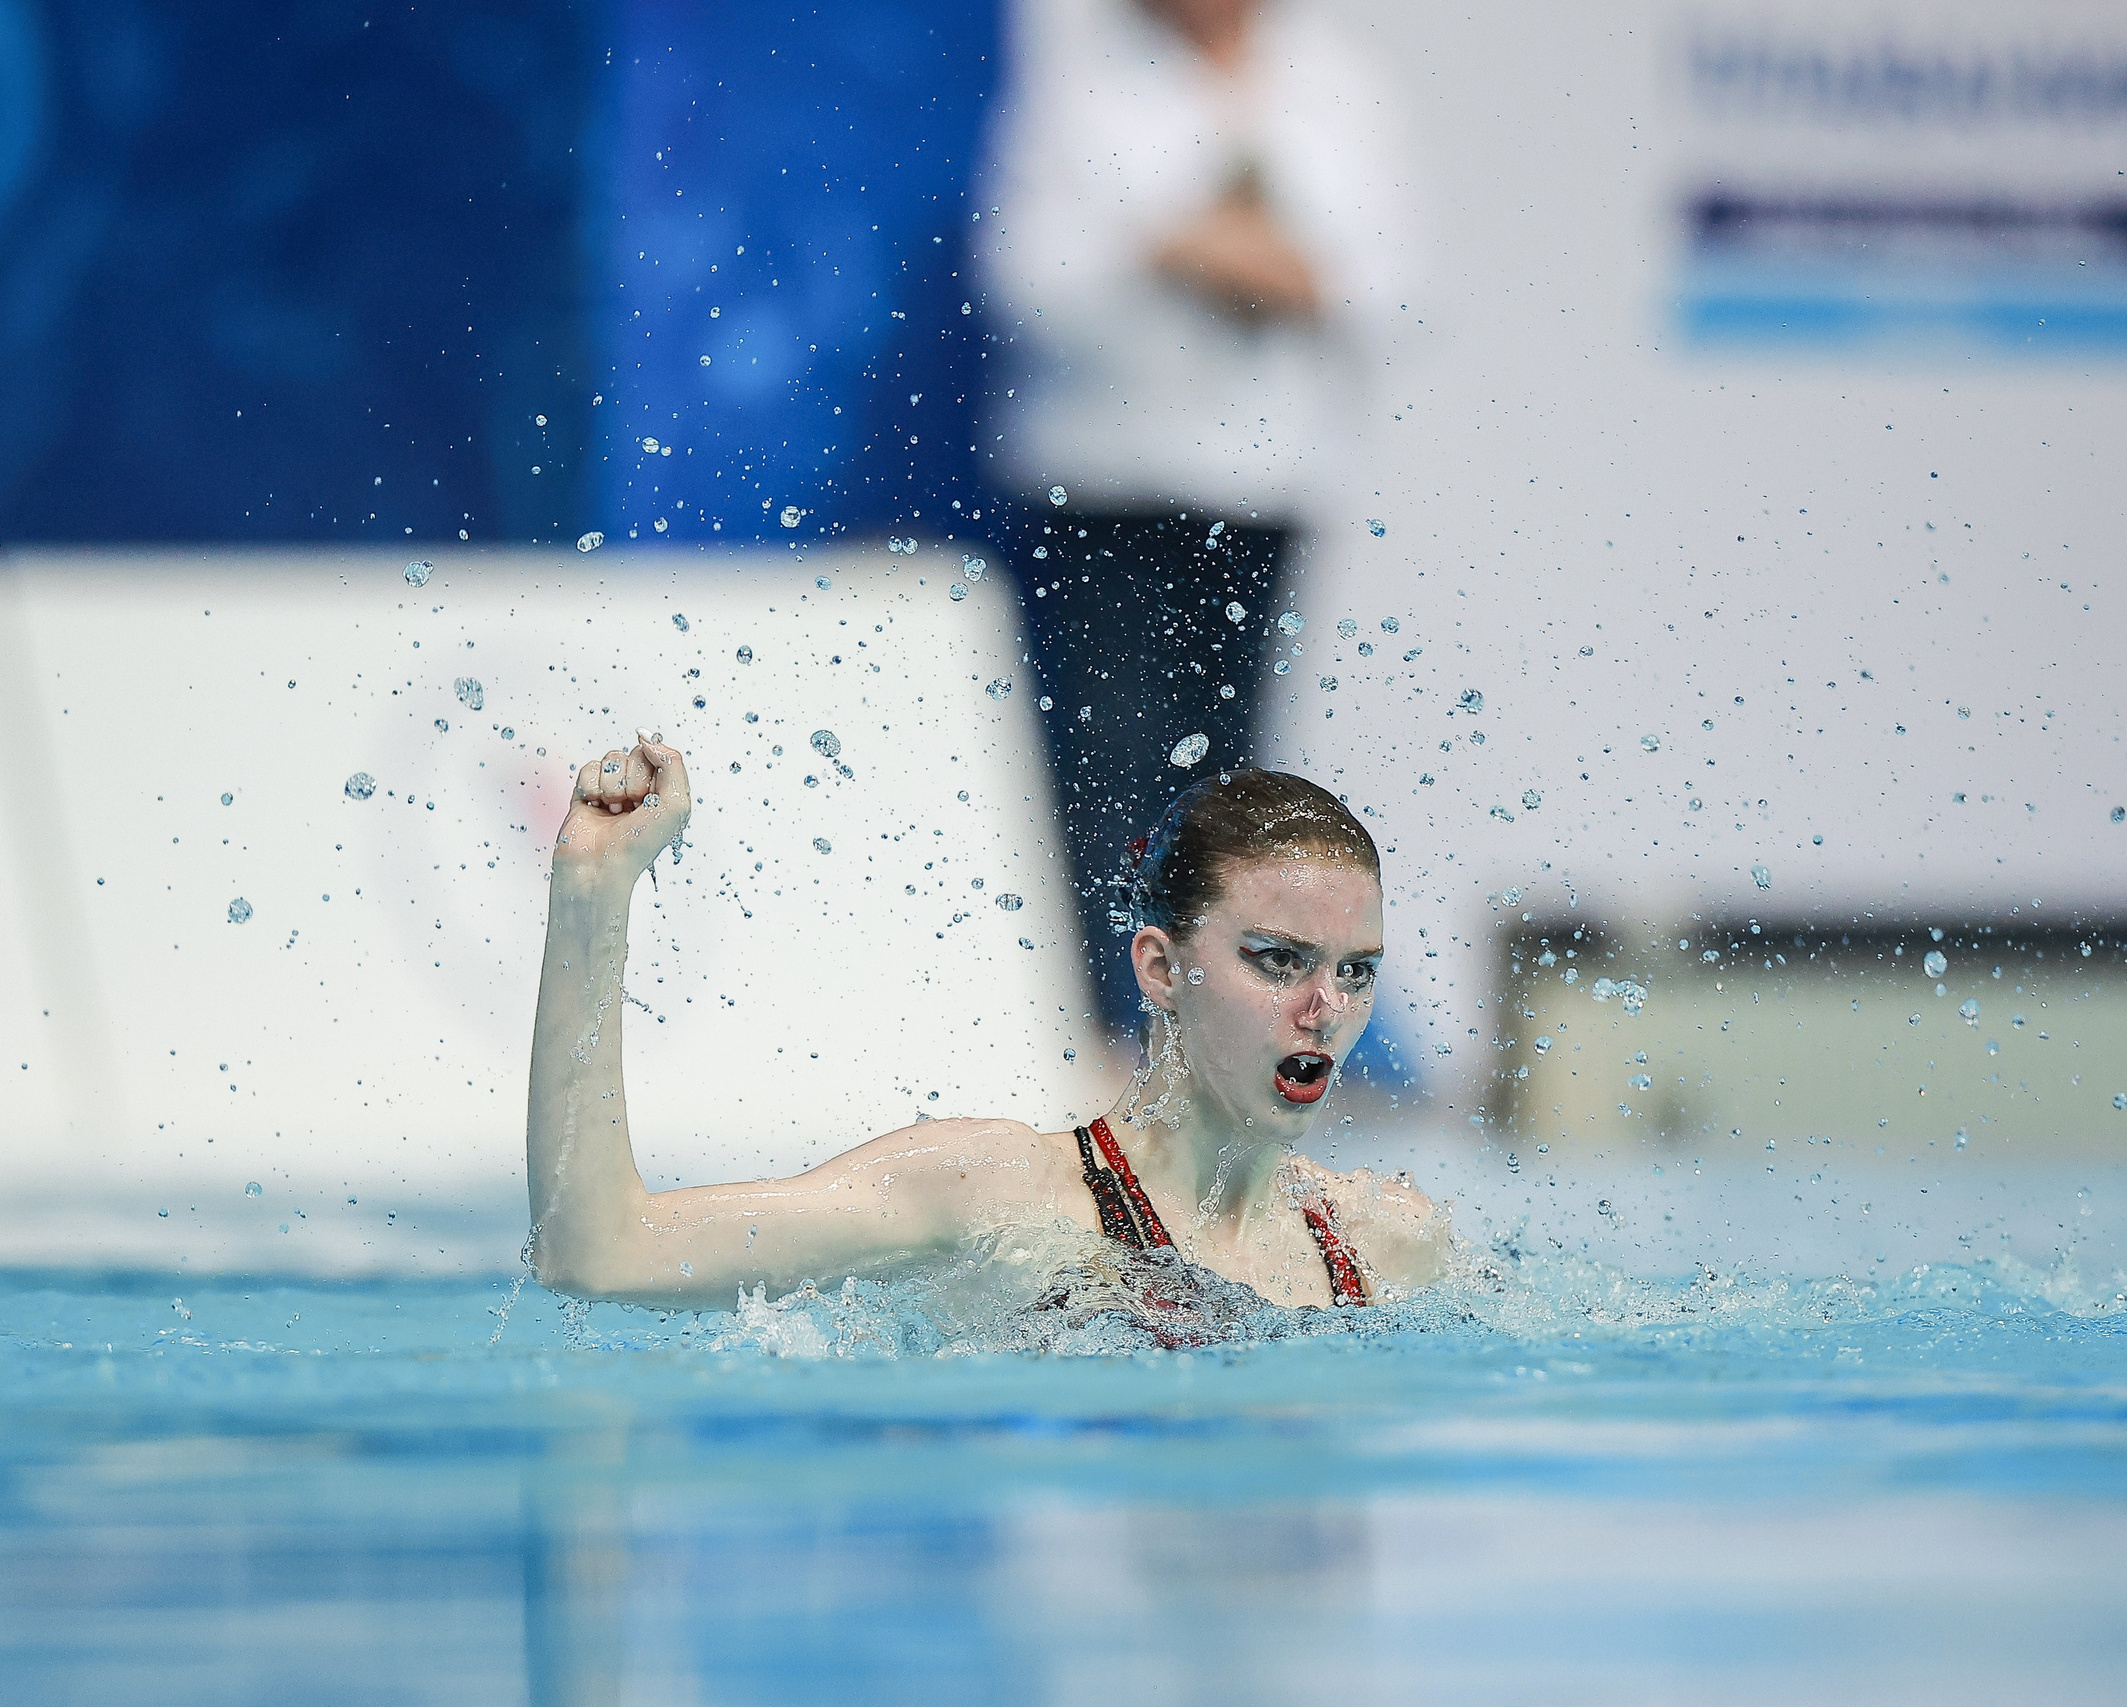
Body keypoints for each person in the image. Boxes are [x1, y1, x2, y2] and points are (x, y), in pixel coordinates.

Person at [524, 731, 1446, 1314]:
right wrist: (593, 891)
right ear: (1162, 968)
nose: (1326, 1009)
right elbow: (599, 1251)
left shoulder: (1380, 1241)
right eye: (1278, 960)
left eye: (1356, 972)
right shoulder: (1000, 1193)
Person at [972, 0, 1410, 1031]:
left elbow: (1404, 285)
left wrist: (1300, 273)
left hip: (1266, 484)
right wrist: (1171, 249)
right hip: (1109, 481)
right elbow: (1022, 280)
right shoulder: (1077, 74)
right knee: (1102, 778)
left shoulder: (1343, 78)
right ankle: (1092, 1041)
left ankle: (1199, 1041)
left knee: (1227, 785)